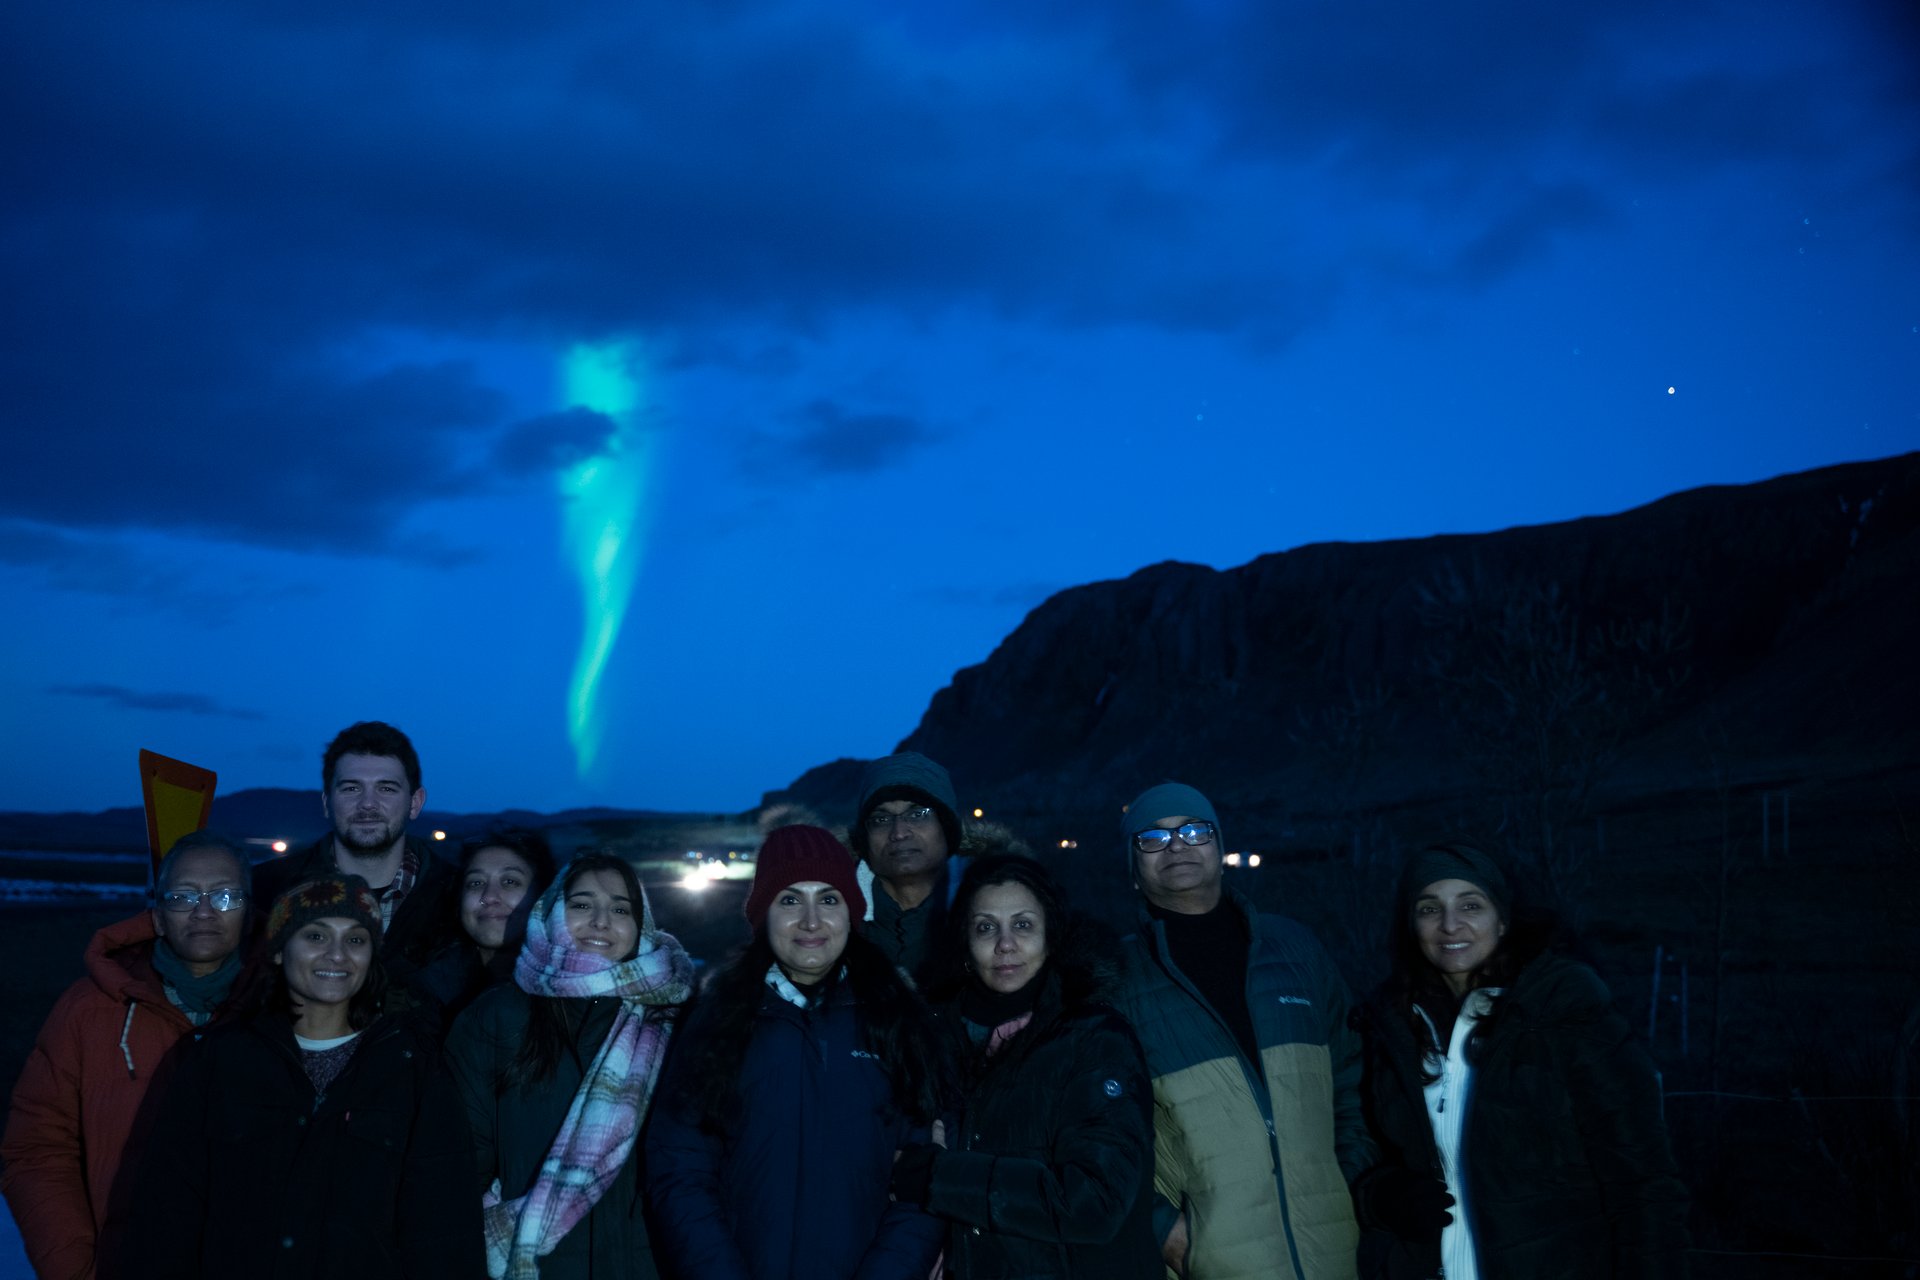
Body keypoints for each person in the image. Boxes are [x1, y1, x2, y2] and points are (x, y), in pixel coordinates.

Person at [1354, 844, 1689, 1279]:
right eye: (1429, 908)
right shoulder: (1389, 1029)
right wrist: (1380, 1196)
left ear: (1504, 918)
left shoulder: (1567, 1013)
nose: (1450, 924)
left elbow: (1644, 1181)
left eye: (1470, 905)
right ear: (1410, 924)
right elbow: (1361, 1150)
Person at [124, 874, 482, 1279]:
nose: (337, 955)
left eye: (356, 939)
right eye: (315, 936)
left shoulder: (410, 1065)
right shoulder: (220, 1060)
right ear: (278, 951)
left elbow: (445, 1229)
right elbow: (165, 1214)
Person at [646, 824, 946, 1280]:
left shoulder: (898, 1020)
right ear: (763, 914)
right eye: (790, 900)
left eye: (828, 899)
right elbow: (680, 1173)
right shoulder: (718, 1022)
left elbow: (924, 1180)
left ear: (851, 912)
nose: (811, 920)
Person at [1112, 782, 1372, 1280]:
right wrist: (1160, 1226)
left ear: (1219, 845)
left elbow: (1351, 1074)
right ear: (1132, 865)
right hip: (1209, 1261)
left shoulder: (1294, 947)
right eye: (1153, 837)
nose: (1177, 846)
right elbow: (1098, 1124)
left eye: (1194, 830)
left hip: (1332, 1247)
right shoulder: (1114, 976)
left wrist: (1350, 1179)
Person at [890, 853, 1159, 1279]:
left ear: (1051, 936)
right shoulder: (934, 1039)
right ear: (964, 941)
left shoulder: (1095, 1040)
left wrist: (936, 1177)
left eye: (1023, 924)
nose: (1005, 944)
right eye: (985, 928)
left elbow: (1094, 1202)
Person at [1, 830, 251, 1280]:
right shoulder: (91, 1010)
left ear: (248, 911)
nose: (205, 911)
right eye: (183, 896)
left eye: (226, 896)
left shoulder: (284, 1013)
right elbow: (37, 1148)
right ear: (157, 914)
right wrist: (73, 1268)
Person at [444, 852, 694, 1280]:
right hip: (532, 1262)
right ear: (550, 914)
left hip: (646, 1263)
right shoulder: (494, 1018)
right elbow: (459, 1164)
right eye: (581, 904)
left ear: (641, 925)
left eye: (620, 908)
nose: (601, 921)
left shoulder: (677, 1020)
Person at [253, 721, 458, 1001]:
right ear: (327, 802)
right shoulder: (266, 891)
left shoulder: (456, 899)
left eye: (386, 789)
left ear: (415, 802)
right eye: (351, 789)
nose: (368, 804)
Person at [848, 751, 971, 987]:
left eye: (918, 814)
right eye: (881, 819)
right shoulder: (830, 916)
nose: (899, 832)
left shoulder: (991, 909)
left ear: (946, 826)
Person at [416, 828, 559, 1029]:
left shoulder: (571, 996)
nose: (489, 897)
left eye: (510, 882)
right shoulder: (421, 994)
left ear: (542, 895)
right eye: (476, 883)